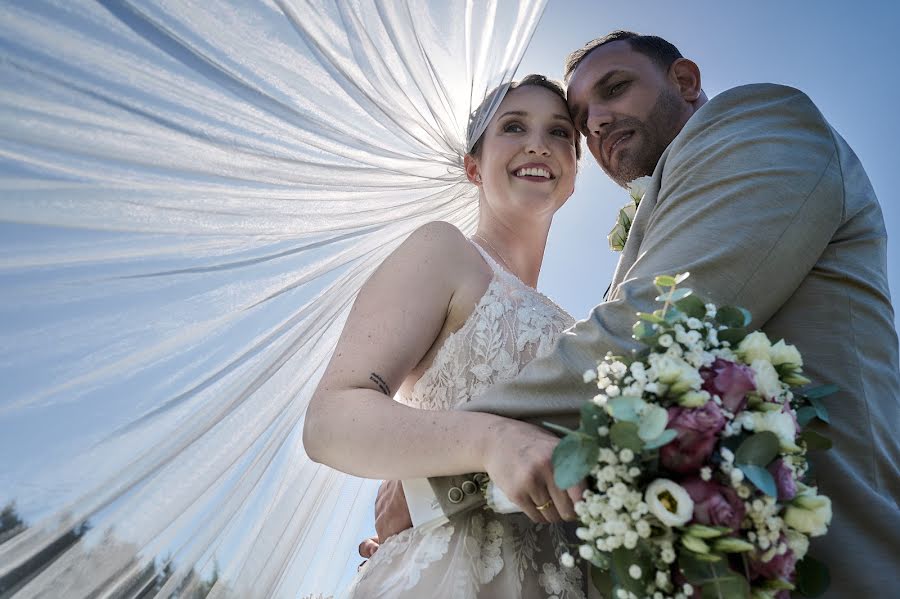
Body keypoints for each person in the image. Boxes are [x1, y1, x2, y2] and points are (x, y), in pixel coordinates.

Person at [378, 31, 900, 598]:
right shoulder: (627, 252)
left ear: (685, 81)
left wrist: (436, 471)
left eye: (615, 88)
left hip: (827, 545)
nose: (596, 120)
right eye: (581, 117)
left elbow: (649, 335)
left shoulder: (761, 121)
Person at [303, 75, 593, 599]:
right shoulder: (446, 251)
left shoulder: (586, 329)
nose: (539, 143)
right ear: (473, 167)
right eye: (513, 127)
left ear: (574, 172)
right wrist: (492, 440)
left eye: (559, 133)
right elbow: (329, 421)